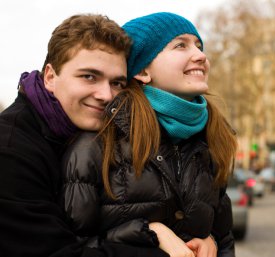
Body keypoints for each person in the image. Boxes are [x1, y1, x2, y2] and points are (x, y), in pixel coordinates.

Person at [61, 12, 238, 257]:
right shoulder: (97, 144)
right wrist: (148, 232)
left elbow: (226, 237)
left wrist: (213, 243)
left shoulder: (213, 137)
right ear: (143, 70)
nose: (200, 55)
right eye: (180, 45)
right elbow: (74, 247)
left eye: (198, 46)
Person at [0, 13, 169, 257]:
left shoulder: (89, 137)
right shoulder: (11, 150)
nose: (106, 95)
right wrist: (157, 245)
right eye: (89, 76)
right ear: (50, 77)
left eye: (117, 83)